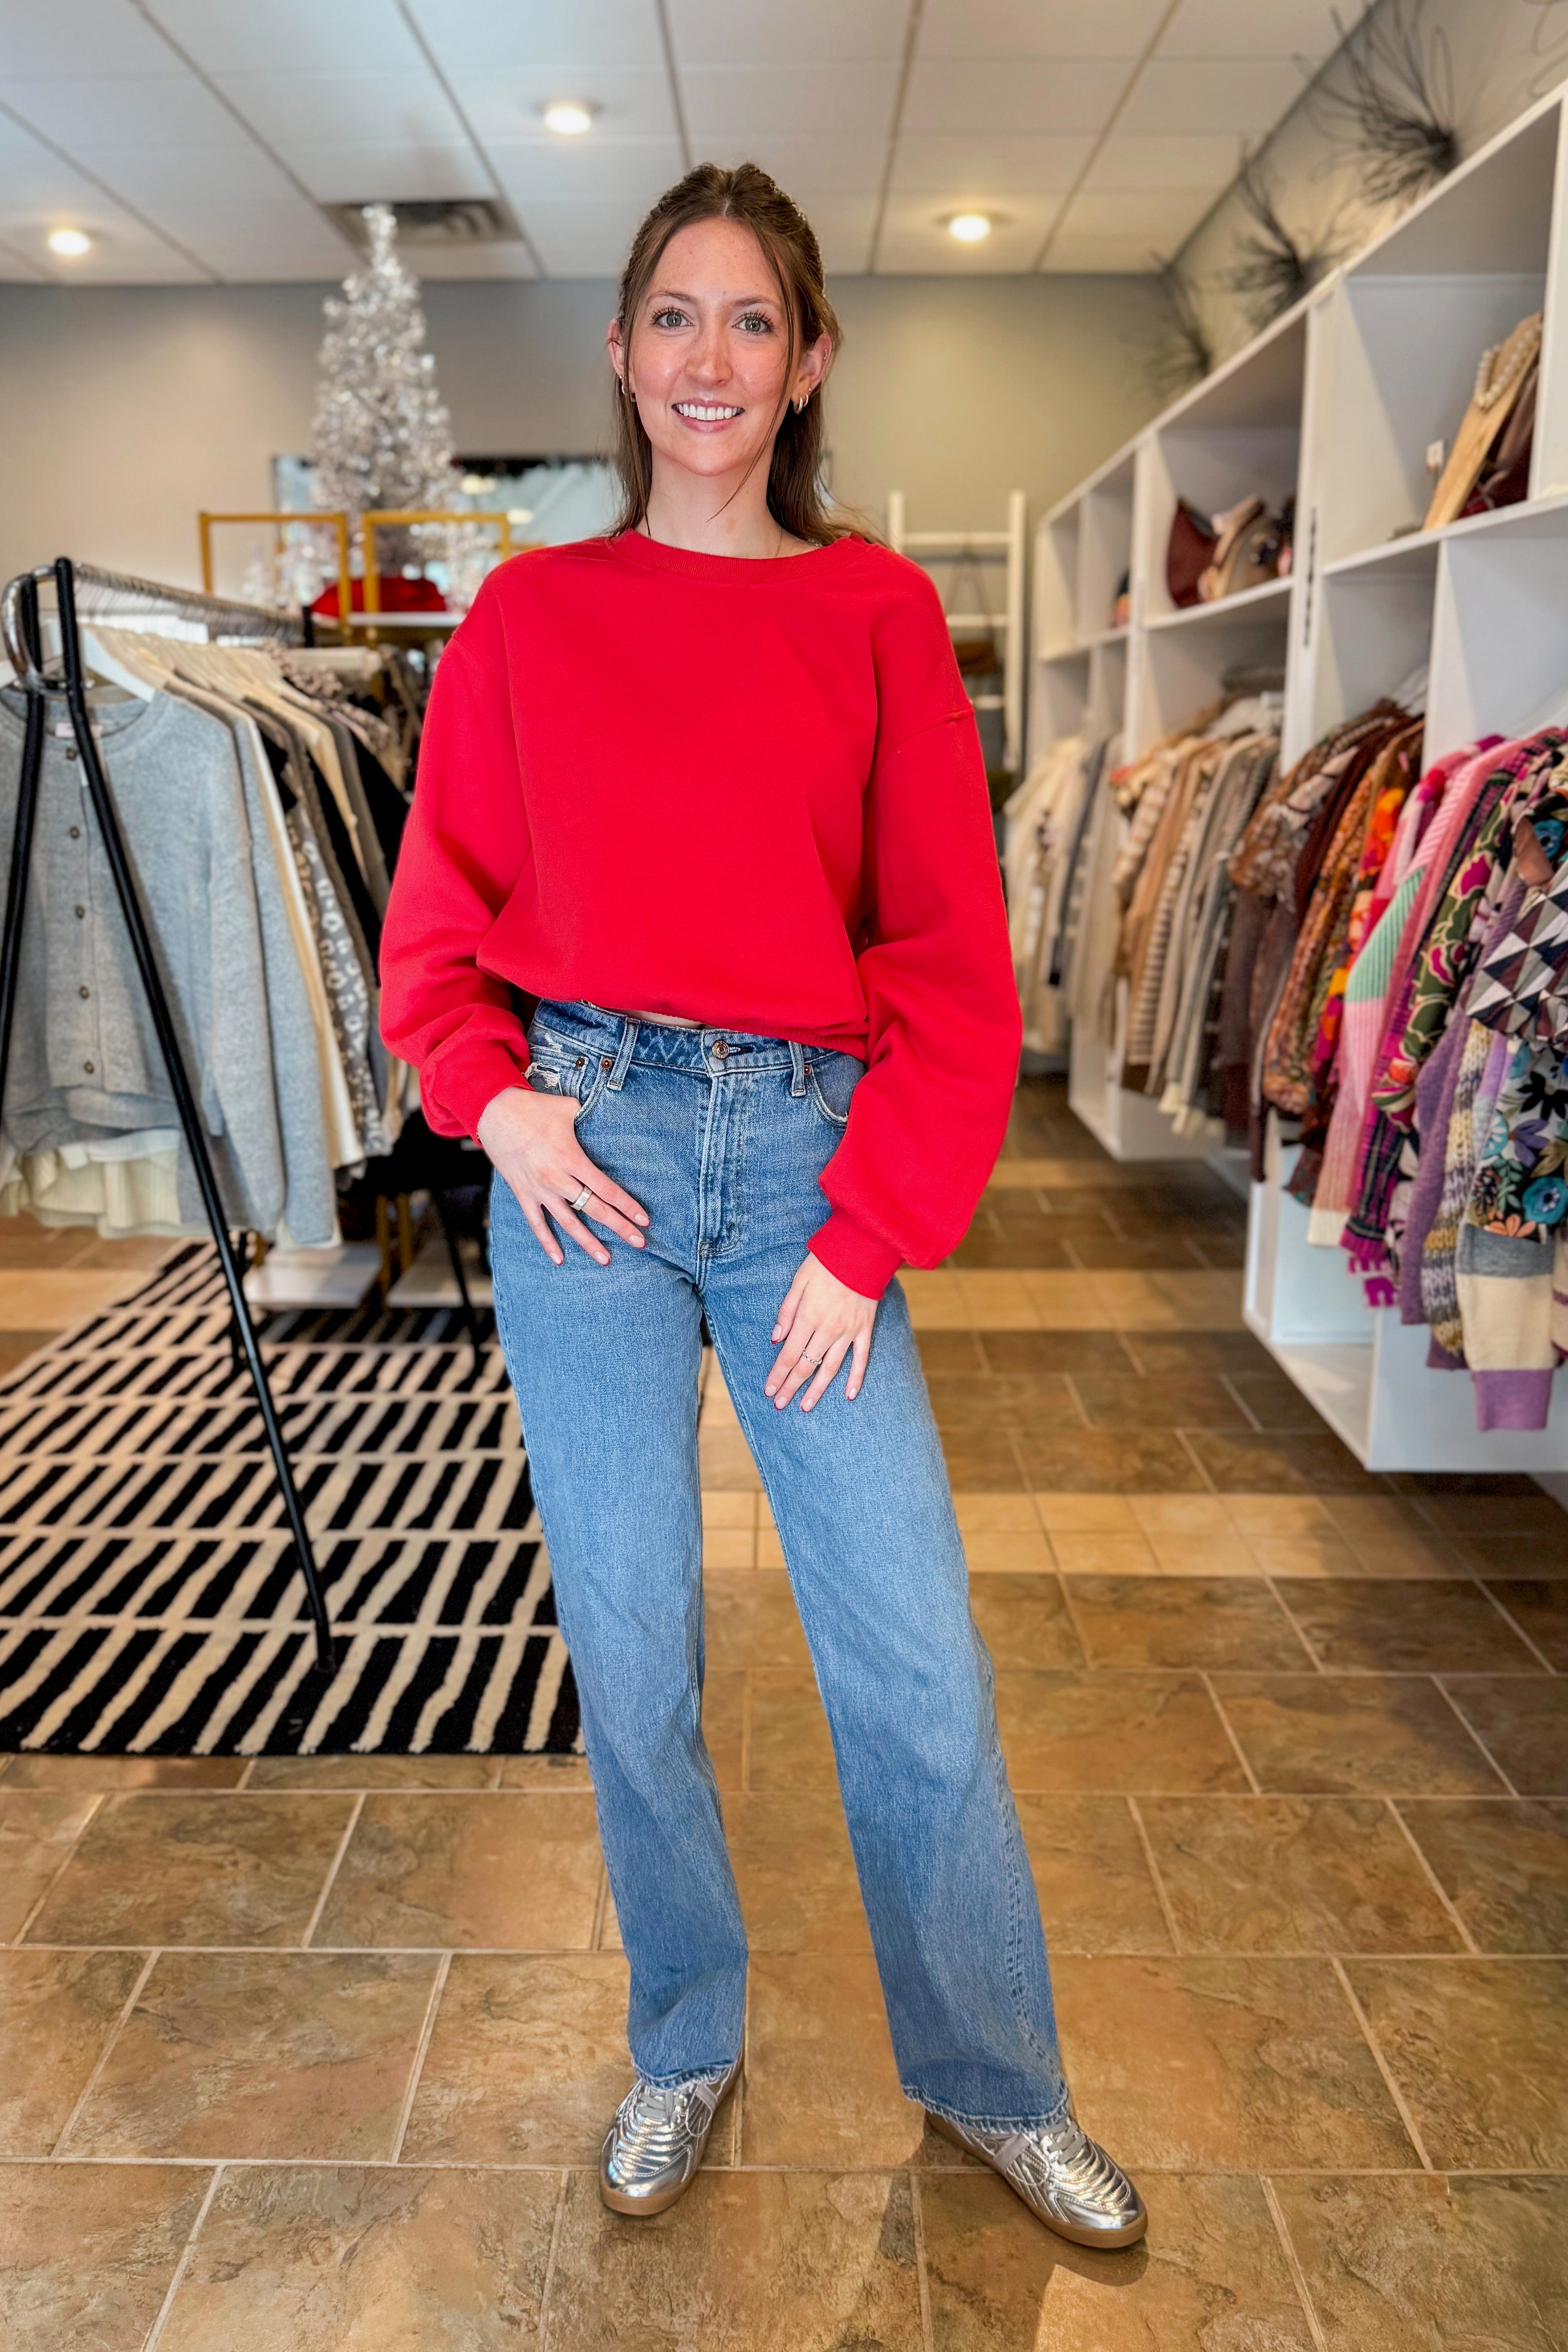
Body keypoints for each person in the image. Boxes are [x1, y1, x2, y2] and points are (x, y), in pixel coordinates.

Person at [380, 161, 1146, 2251]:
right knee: (630, 1649)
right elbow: (434, 928)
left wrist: (865, 1225)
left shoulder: (875, 613)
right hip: (586, 1165)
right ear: (624, 354)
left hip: (805, 1163)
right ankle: (682, 2037)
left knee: (908, 1655)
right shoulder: (528, 621)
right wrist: (500, 1110)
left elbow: (948, 969)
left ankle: (995, 2075)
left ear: (808, 363)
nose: (710, 360)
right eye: (673, 318)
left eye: (751, 323)